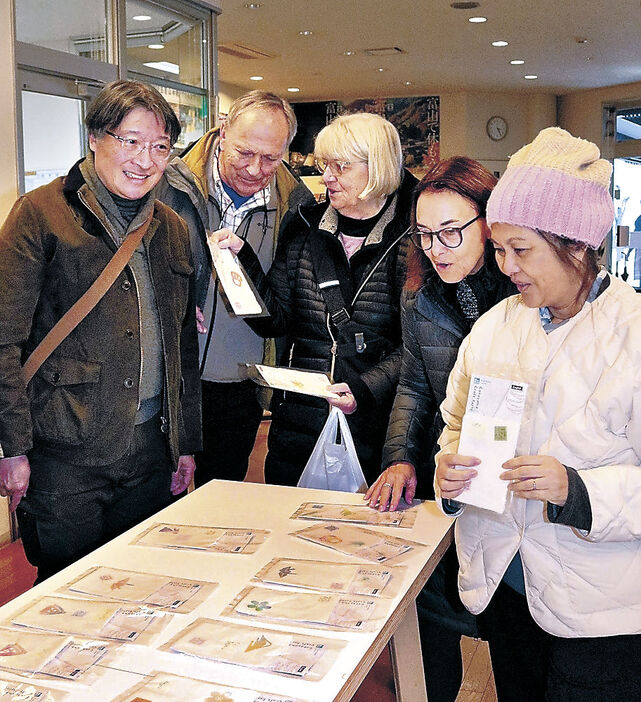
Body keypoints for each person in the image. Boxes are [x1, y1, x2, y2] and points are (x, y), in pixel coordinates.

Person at [435, 127, 641, 701]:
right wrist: (448, 470)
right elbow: (455, 423)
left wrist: (576, 489)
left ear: (576, 244)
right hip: (509, 585)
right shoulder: (496, 326)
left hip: (603, 612)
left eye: (521, 249)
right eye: (498, 248)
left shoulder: (633, 333)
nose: (506, 266)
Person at [0, 80, 201, 582]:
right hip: (64, 452)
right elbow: (3, 339)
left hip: (150, 451)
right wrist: (13, 448)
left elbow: (182, 344)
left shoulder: (171, 227)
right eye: (130, 140)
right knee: (68, 589)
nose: (145, 159)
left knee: (139, 585)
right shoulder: (40, 215)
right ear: (95, 137)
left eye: (159, 146)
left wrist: (185, 443)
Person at [364, 157, 515, 702]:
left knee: (510, 627)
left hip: (512, 486)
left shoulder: (522, 297)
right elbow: (414, 384)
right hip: (448, 476)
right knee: (436, 620)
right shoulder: (419, 295)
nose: (436, 248)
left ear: (490, 223)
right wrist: (400, 456)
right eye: (425, 234)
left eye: (451, 232)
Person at [214, 112, 417, 486]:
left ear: (378, 168)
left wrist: (364, 388)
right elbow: (274, 321)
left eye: (341, 166)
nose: (326, 177)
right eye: (326, 165)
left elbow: (419, 348)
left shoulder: (415, 239)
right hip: (298, 428)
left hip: (376, 433)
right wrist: (241, 261)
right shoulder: (304, 225)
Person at [157, 91, 314, 486]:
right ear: (223, 133)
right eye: (245, 152)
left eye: (271, 158)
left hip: (240, 386)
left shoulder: (295, 204)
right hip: (169, 380)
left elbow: (288, 302)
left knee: (220, 504)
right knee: (161, 506)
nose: (255, 168)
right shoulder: (168, 184)